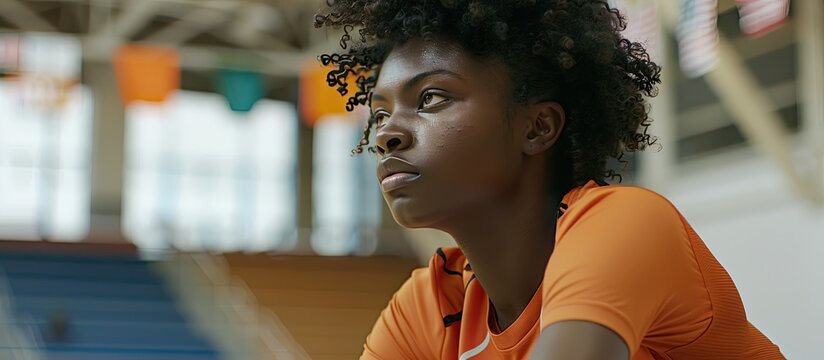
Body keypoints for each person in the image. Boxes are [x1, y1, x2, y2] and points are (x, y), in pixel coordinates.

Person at [314, 1, 785, 359]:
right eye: (379, 114)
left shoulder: (626, 223)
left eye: (432, 98)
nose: (387, 134)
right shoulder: (428, 307)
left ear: (537, 127)